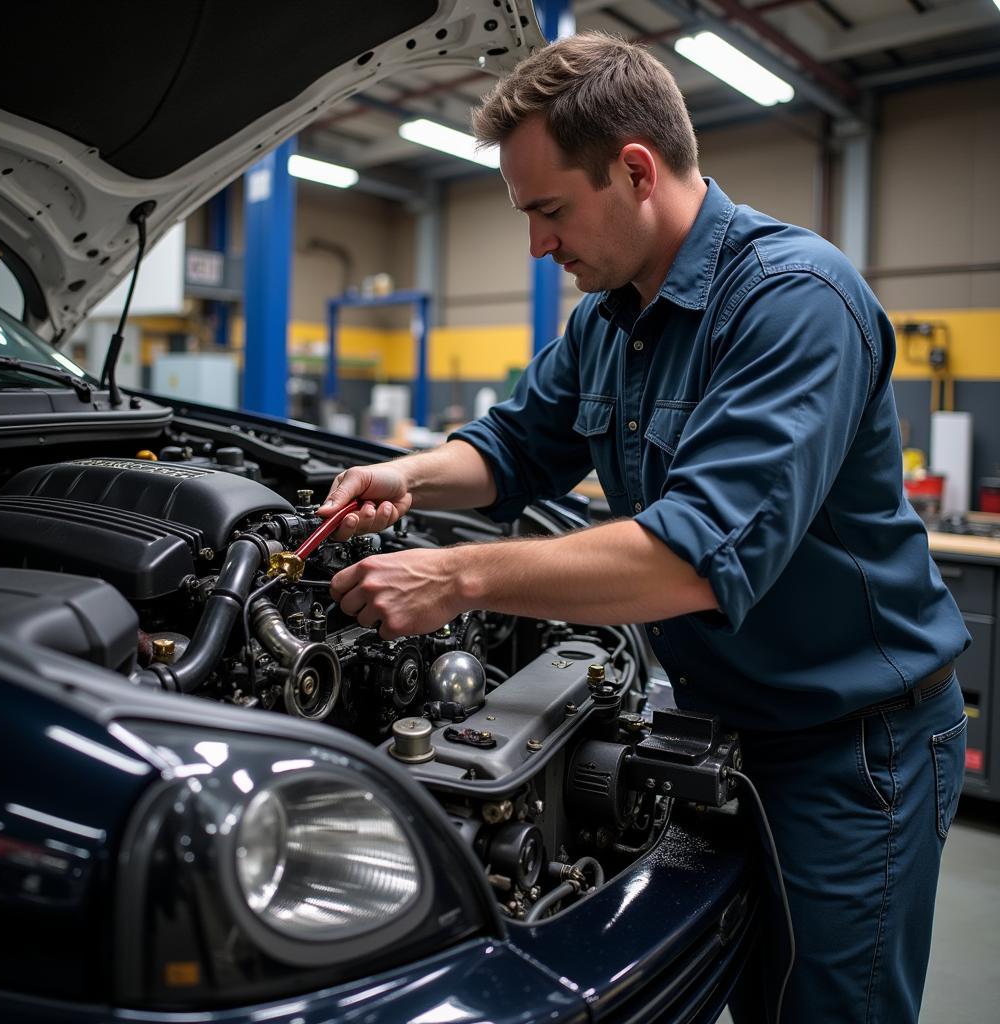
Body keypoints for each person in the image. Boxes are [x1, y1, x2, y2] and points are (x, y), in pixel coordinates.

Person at [321, 32, 970, 1023]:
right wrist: (402, 476)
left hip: (850, 748)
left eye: (548, 210)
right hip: (719, 726)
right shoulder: (608, 320)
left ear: (634, 169)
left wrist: (457, 577)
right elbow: (510, 449)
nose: (537, 245)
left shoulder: (795, 301)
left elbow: (690, 556)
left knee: (829, 1008)